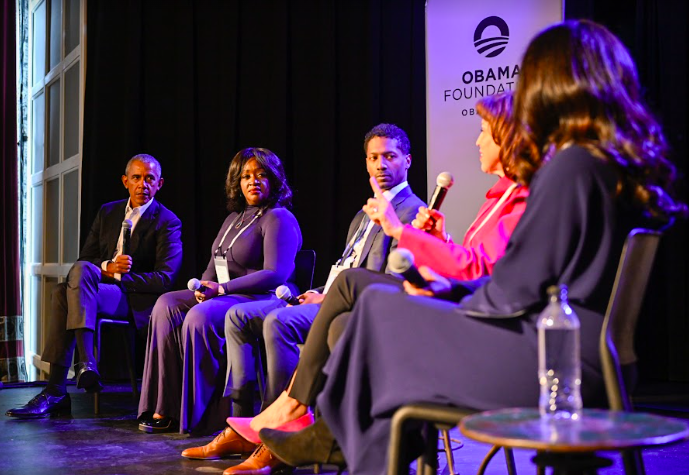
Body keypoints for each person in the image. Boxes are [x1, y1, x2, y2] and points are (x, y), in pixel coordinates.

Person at [257, 20, 687, 475]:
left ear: (552, 85)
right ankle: (349, 442)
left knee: (379, 310)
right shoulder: (611, 161)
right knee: (377, 310)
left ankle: (341, 441)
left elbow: (513, 292)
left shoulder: (572, 166)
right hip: (582, 352)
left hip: (555, 361)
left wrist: (442, 296)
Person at [186, 96, 530, 474]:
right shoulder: (490, 199)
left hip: (456, 325)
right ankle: (306, 430)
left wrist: (406, 235)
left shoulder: (419, 210)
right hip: (358, 302)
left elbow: (467, 274)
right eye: (372, 158)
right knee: (326, 323)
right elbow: (469, 264)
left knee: (290, 318)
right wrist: (443, 242)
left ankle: (289, 418)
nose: (477, 141)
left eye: (484, 132)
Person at [179, 123, 425, 469]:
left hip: (365, 311)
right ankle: (243, 423)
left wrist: (328, 299)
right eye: (373, 157)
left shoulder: (411, 212)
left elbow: (392, 281)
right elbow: (345, 268)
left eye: (390, 156)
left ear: (407, 161)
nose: (381, 164)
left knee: (279, 322)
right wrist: (320, 291)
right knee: (238, 317)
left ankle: (277, 438)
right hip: (334, 299)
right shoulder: (362, 215)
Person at [137, 148, 302, 435]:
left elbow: (275, 273)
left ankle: (204, 417)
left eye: (261, 175)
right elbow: (215, 264)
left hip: (262, 298)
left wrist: (222, 288)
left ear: (274, 180)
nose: (253, 181)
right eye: (246, 176)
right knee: (166, 304)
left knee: (199, 317)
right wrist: (203, 287)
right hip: (225, 295)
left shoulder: (279, 217)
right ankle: (165, 406)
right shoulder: (233, 218)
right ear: (236, 182)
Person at [6, 154, 183, 418]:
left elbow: (164, 278)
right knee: (71, 283)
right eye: (136, 178)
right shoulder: (108, 211)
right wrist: (108, 266)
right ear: (126, 181)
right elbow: (85, 260)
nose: (142, 184)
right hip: (95, 290)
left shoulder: (167, 221)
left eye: (149, 179)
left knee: (63, 293)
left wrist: (119, 277)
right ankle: (84, 366)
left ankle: (58, 387)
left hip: (133, 299)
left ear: (159, 184)